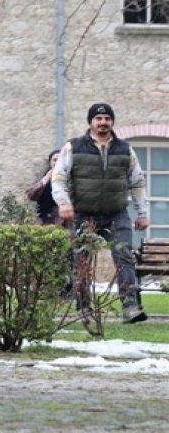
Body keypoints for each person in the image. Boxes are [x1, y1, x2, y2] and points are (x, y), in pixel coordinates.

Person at [50, 103, 150, 324]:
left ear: (112, 122)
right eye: (99, 118)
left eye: (107, 118)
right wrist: (63, 203)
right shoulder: (73, 147)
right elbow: (58, 178)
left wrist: (142, 213)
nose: (103, 122)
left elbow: (137, 182)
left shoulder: (125, 150)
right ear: (91, 122)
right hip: (84, 213)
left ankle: (130, 307)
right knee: (81, 260)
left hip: (116, 213)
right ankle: (84, 306)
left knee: (124, 257)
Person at [26, 149, 61, 225]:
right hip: (42, 220)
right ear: (50, 163)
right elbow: (30, 196)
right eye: (54, 160)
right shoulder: (43, 177)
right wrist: (45, 180)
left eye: (60, 160)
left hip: (61, 222)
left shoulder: (69, 179)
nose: (57, 162)